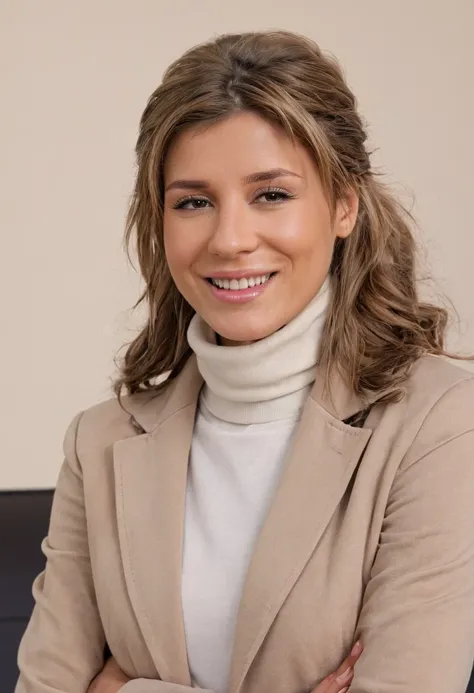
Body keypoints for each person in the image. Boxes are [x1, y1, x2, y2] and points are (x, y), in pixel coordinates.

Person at [15, 29, 474, 693]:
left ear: (344, 204)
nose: (230, 239)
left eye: (272, 195)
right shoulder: (99, 443)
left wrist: (127, 689)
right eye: (194, 201)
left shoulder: (439, 426)